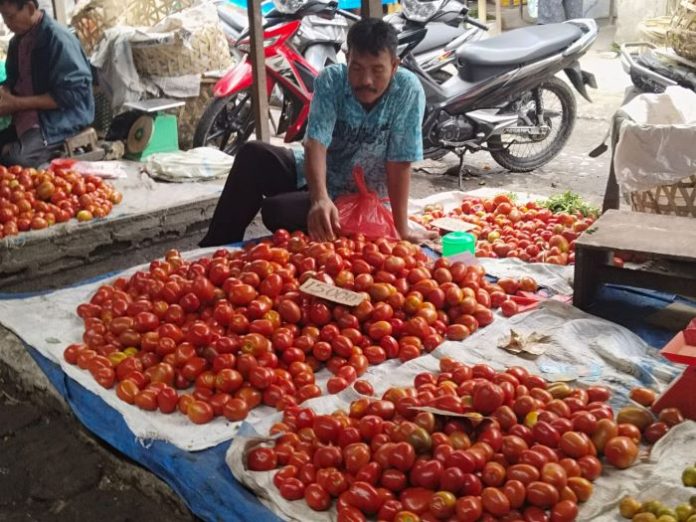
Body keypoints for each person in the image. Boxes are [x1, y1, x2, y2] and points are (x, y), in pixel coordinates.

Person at [201, 17, 432, 247]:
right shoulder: (332, 80)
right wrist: (319, 198)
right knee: (253, 154)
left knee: (276, 210)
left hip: (360, 198)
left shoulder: (408, 90)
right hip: (317, 176)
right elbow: (316, 143)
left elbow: (399, 163)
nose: (366, 80)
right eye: (357, 68)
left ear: (394, 66)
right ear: (347, 58)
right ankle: (215, 248)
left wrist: (402, 229)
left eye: (377, 70)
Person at [0, 0, 94, 167]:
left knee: (13, 162)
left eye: (10, 17)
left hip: (59, 119)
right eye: (3, 17)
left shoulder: (58, 39)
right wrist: (5, 92)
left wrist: (16, 104)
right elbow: (13, 79)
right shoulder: (17, 42)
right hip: (26, 117)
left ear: (29, 8)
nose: (7, 25)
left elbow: (74, 94)